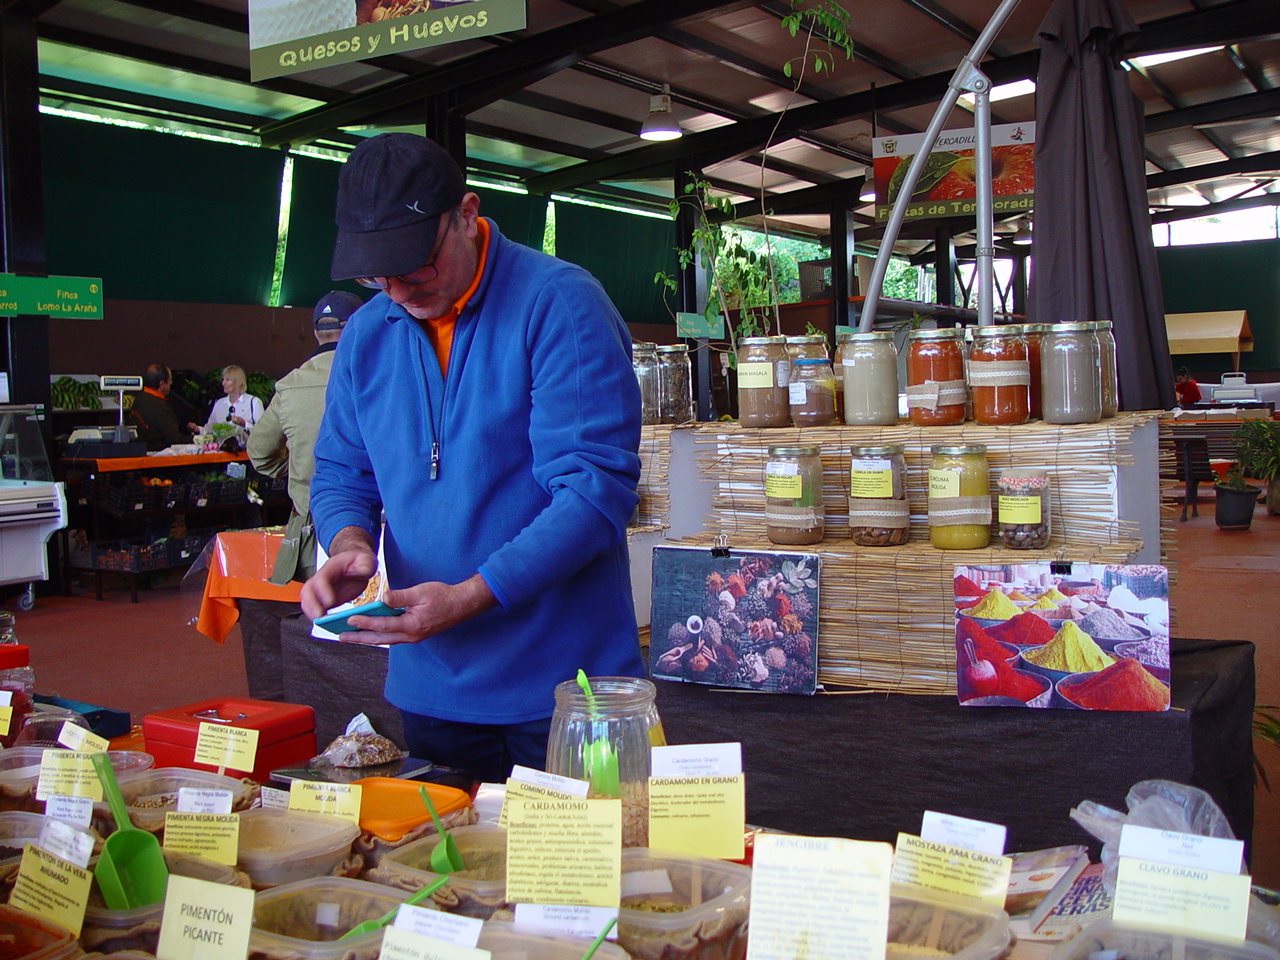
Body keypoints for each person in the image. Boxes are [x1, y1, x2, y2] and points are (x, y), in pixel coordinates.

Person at [300, 133, 643, 781]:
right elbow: (344, 473)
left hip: (565, 689)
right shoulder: (369, 334)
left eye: (416, 266)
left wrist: (470, 596)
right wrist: (348, 544)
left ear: (465, 214)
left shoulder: (559, 303)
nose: (398, 293)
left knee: (583, 877)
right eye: (378, 277)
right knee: (456, 873)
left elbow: (592, 493)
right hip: (433, 685)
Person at [248, 291, 363, 585]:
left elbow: (259, 452)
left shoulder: (289, 386)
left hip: (312, 528)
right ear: (357, 326)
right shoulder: (380, 375)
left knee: (318, 619)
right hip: (379, 528)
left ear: (315, 332)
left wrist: (300, 467)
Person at [128, 363, 190, 451]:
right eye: (170, 380)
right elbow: (174, 439)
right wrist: (197, 439)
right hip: (159, 454)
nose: (171, 383)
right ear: (162, 383)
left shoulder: (139, 399)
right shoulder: (159, 406)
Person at [189, 365, 264, 436]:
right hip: (222, 448)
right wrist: (198, 429)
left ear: (238, 382)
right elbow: (211, 429)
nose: (223, 383)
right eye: (223, 379)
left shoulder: (254, 402)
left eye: (227, 380)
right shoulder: (219, 403)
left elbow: (264, 431)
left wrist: (244, 424)